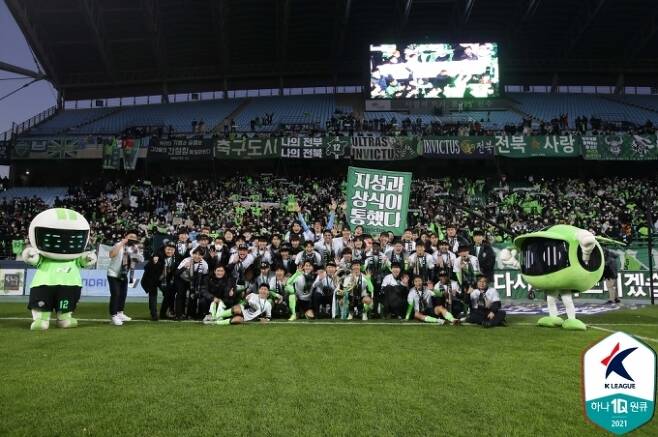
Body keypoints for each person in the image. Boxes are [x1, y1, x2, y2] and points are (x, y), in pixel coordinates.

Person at [107, 231, 143, 326]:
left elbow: (140, 259)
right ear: (125, 237)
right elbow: (111, 255)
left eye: (134, 237)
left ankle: (120, 313)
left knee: (123, 294)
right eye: (130, 236)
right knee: (115, 294)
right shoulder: (118, 244)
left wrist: (138, 252)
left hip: (124, 275)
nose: (132, 238)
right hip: (113, 274)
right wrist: (122, 243)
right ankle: (113, 316)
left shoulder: (134, 248)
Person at [141, 242, 177, 321]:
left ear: (174, 250)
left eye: (172, 250)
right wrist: (154, 262)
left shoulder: (174, 258)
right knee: (153, 295)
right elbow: (146, 268)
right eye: (168, 249)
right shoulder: (157, 256)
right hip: (151, 279)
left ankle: (163, 313)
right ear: (164, 249)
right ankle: (154, 315)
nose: (170, 251)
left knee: (168, 293)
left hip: (162, 280)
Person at [174, 247, 209, 320]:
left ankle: (191, 314)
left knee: (193, 296)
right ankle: (179, 314)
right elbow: (176, 273)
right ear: (192, 254)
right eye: (195, 254)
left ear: (203, 256)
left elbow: (205, 276)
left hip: (194, 281)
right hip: (182, 279)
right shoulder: (186, 260)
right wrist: (185, 266)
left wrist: (200, 287)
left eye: (200, 255)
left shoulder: (204, 264)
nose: (197, 256)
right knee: (181, 294)